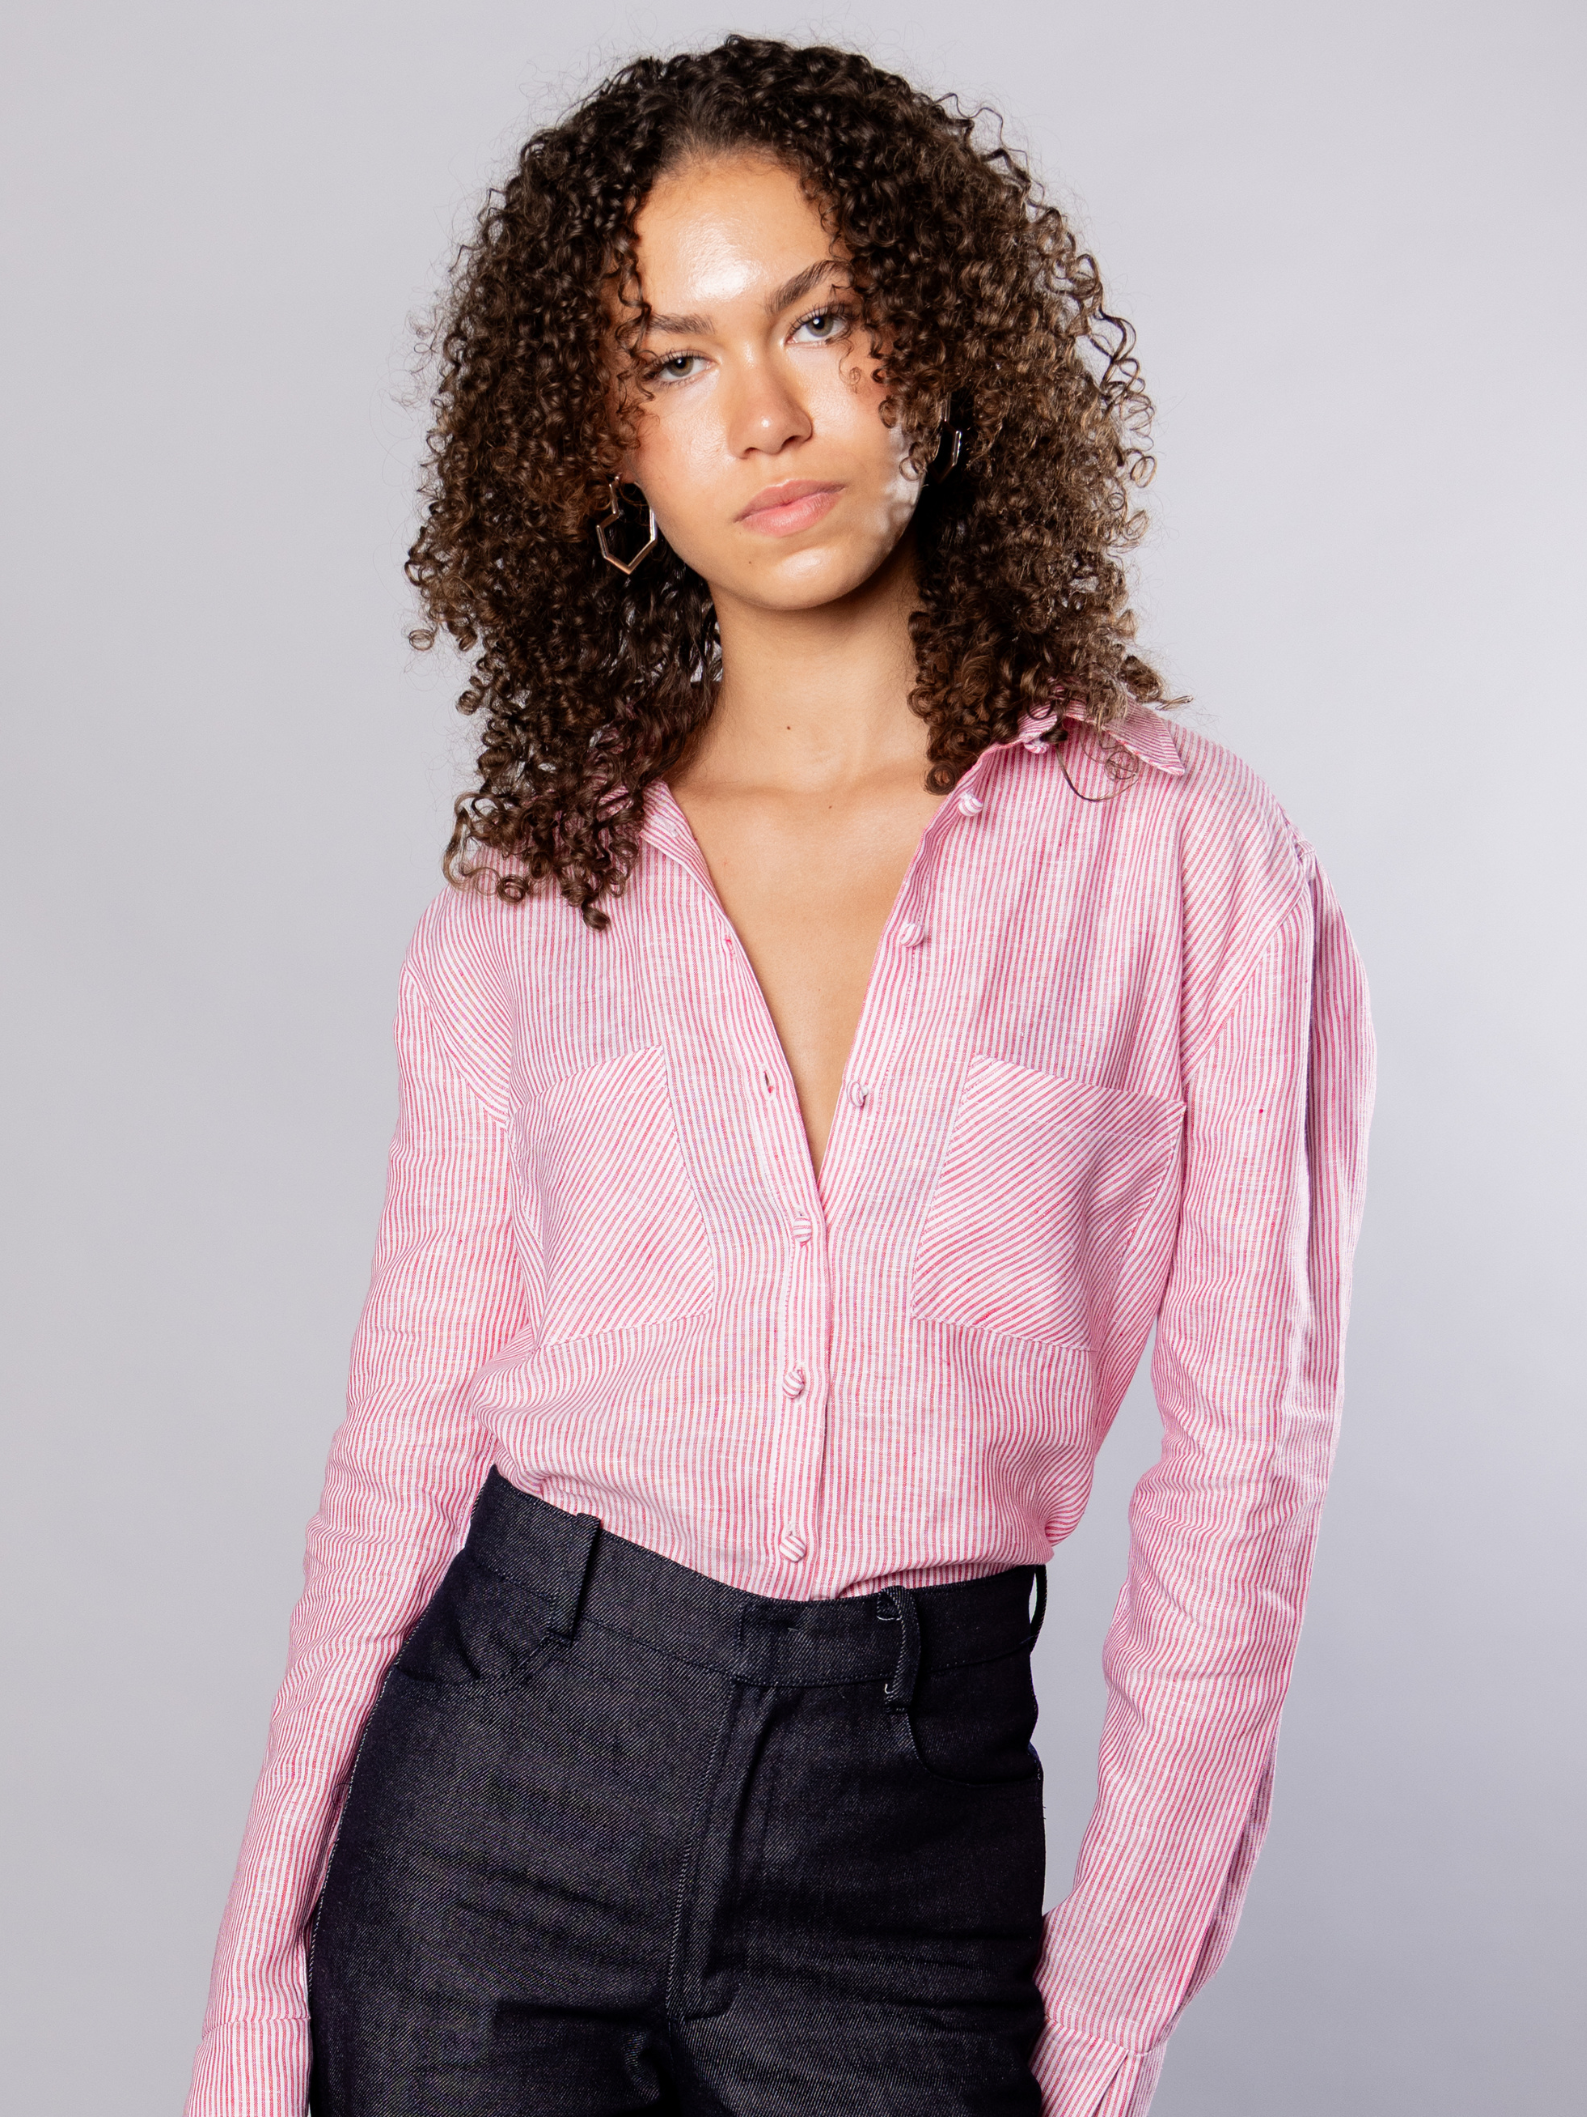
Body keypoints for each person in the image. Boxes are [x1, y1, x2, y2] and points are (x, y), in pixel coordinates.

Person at [187, 36, 1374, 2117]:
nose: (762, 413)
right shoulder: (524, 901)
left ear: (942, 336)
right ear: (604, 449)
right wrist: (257, 1977)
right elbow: (401, 1450)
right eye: (673, 359)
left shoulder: (1192, 867)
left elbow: (1241, 1477)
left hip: (908, 1851)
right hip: (495, 1805)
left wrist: (1103, 2001)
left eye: (818, 317)